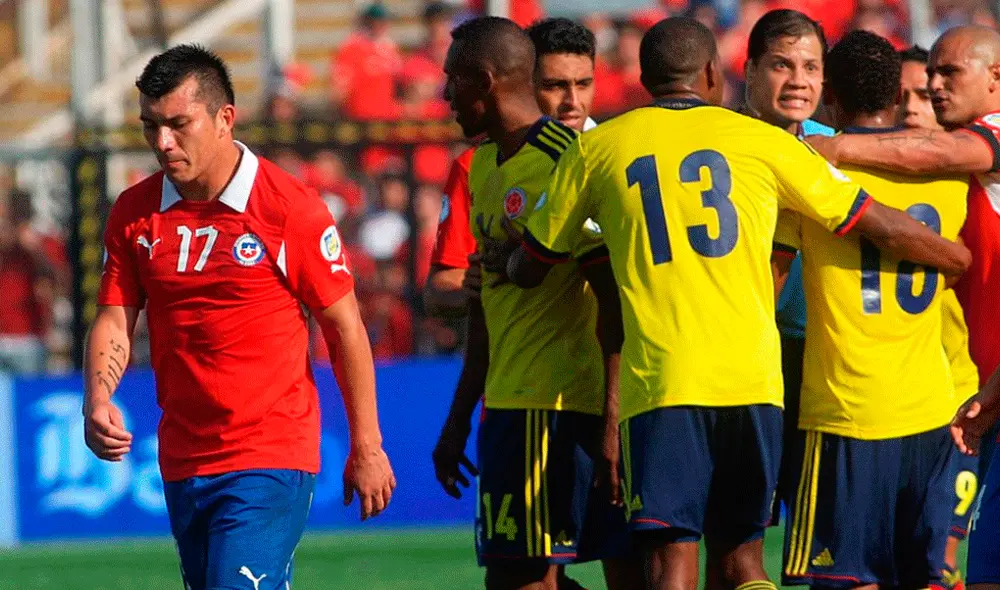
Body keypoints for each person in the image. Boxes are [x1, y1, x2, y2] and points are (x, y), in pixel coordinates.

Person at [504, 17, 970, 590]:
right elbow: (872, 219)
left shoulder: (597, 149)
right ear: (713, 74)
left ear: (643, 78)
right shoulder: (767, 144)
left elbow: (532, 263)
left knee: (671, 558)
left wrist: (505, 261)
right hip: (757, 384)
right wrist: (954, 257)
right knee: (745, 560)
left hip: (664, 385)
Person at [84, 44, 395, 590]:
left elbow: (344, 326)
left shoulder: (286, 207)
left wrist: (367, 446)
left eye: (179, 125)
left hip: (269, 453)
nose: (163, 143)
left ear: (225, 118)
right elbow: (114, 318)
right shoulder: (134, 212)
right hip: (183, 457)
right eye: (150, 126)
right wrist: (97, 398)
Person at [434, 16, 639, 590]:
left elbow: (614, 298)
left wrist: (613, 419)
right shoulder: (483, 166)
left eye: (454, 80)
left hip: (561, 406)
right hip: (507, 407)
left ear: (487, 78)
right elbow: (484, 306)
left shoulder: (566, 156)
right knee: (516, 579)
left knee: (536, 579)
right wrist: (458, 420)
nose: (446, 95)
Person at [804, 26, 1000, 587]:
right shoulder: (958, 176)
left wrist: (830, 147)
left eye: (948, 74)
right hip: (966, 400)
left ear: (996, 78)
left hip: (885, 407)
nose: (934, 87)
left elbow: (933, 148)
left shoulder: (979, 141)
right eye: (926, 76)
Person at [425, 17, 602, 319]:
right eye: (554, 86)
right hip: (504, 360)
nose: (572, 101)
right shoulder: (476, 163)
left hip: (579, 362)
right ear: (526, 81)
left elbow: (614, 279)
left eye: (583, 84)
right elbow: (445, 283)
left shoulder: (596, 159)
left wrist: (528, 260)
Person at [739, 9, 834, 543]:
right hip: (739, 357)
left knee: (819, 544)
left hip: (819, 359)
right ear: (750, 69)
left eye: (810, 66)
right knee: (738, 535)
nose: (798, 80)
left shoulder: (838, 147)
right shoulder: (719, 144)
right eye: (781, 64)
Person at [896, 41, 981, 586]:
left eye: (922, 95)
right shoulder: (878, 180)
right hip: (897, 404)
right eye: (898, 95)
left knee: (941, 560)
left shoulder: (971, 176)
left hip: (961, 397)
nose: (909, 106)